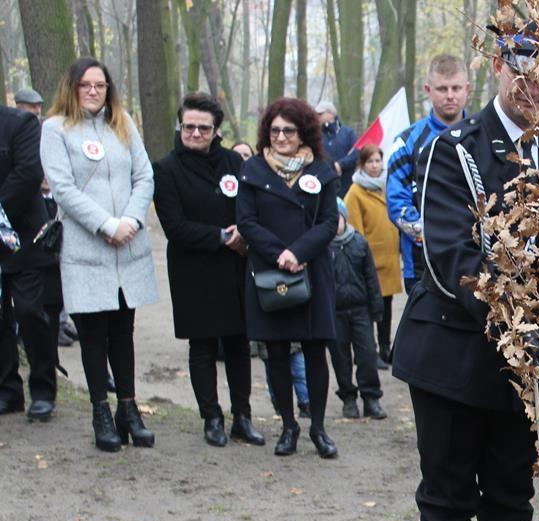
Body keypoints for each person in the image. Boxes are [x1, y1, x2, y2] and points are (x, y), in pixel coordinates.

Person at [390, 27, 539, 521]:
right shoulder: (452, 152)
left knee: (509, 494)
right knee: (448, 495)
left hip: (524, 366)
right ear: (498, 67)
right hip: (453, 352)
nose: (533, 86)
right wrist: (519, 330)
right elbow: (452, 258)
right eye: (522, 70)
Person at [41, 57, 158, 452]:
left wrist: (130, 220)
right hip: (88, 245)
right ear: (72, 88)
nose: (94, 91)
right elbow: (62, 188)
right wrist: (106, 225)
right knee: (93, 333)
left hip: (128, 245)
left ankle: (129, 409)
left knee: (123, 332)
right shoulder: (55, 129)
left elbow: (144, 176)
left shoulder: (123, 125)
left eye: (101, 85)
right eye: (86, 85)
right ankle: (100, 412)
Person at [152, 91, 264, 448]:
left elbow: (252, 206)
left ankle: (242, 417)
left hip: (235, 267)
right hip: (194, 270)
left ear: (216, 130)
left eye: (204, 128)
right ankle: (211, 417)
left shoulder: (235, 162)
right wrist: (220, 236)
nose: (196, 134)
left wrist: (244, 232)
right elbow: (174, 225)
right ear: (180, 127)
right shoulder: (166, 169)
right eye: (189, 127)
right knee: (202, 347)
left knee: (237, 344)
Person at [236, 97, 341, 459]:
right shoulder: (252, 170)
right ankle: (287, 426)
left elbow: (330, 221)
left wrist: (298, 252)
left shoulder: (322, 172)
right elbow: (246, 221)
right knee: (276, 352)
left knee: (315, 352)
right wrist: (279, 254)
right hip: (269, 271)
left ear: (303, 133)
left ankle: (318, 428)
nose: (281, 136)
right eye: (276, 129)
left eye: (289, 130)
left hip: (312, 271)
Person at [386, 55, 472, 302]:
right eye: (442, 89)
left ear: (467, 89)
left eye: (456, 88)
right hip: (421, 264)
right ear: (427, 90)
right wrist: (437, 238)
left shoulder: (482, 135)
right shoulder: (406, 142)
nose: (450, 95)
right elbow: (397, 203)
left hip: (475, 260)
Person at [0, 102, 60, 422]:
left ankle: (43, 389)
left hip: (25, 239)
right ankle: (8, 390)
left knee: (29, 312)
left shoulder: (21, 123)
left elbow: (28, 173)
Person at [344, 143, 401, 368]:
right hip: (370, 262)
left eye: (378, 161)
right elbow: (355, 228)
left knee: (386, 306)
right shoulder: (355, 193)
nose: (375, 166)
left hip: (389, 259)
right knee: (368, 309)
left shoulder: (388, 186)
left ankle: (385, 348)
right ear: (362, 164)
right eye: (370, 161)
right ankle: (369, 351)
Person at [327, 198, 384, 419]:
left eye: (337, 218)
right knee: (340, 357)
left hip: (361, 310)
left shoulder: (359, 243)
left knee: (367, 354)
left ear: (345, 218)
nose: (335, 224)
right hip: (335, 312)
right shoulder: (323, 247)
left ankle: (371, 398)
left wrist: (376, 309)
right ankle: (348, 398)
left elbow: (371, 279)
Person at [314, 100, 358, 195]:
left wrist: (340, 164)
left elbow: (356, 153)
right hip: (322, 183)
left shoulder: (348, 133)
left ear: (331, 114)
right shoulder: (315, 135)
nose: (317, 116)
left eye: (320, 114)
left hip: (346, 184)